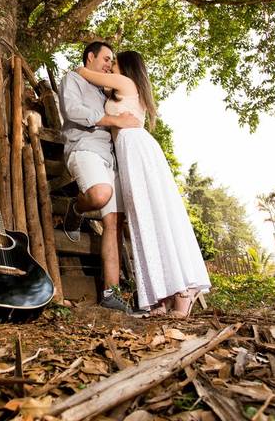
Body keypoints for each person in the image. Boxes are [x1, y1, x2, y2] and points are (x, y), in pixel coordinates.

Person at [75, 50, 211, 318]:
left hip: (136, 148)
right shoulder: (119, 89)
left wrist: (87, 69)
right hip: (128, 153)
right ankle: (162, 294)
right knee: (143, 222)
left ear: (126, 67)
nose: (110, 66)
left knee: (156, 217)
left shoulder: (126, 83)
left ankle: (183, 291)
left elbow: (84, 73)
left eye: (113, 62)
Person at [58, 41, 142, 314]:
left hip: (110, 159)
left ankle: (111, 292)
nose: (109, 64)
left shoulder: (107, 90)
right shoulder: (73, 78)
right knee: (98, 194)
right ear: (90, 57)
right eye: (106, 59)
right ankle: (75, 207)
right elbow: (72, 111)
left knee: (114, 223)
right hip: (83, 148)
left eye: (111, 60)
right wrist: (113, 120)